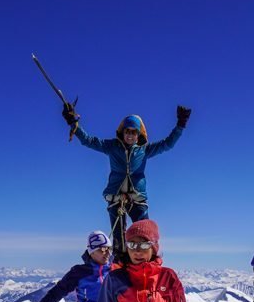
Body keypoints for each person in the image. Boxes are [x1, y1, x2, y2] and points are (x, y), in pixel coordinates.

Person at [61, 107, 191, 257]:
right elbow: (88, 141)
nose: (130, 135)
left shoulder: (144, 150)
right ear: (122, 133)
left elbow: (168, 144)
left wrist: (181, 124)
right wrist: (73, 122)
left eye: (133, 132)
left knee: (145, 234)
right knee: (119, 240)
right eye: (127, 131)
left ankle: (148, 264)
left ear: (138, 134)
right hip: (116, 199)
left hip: (137, 199)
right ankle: (120, 267)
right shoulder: (112, 147)